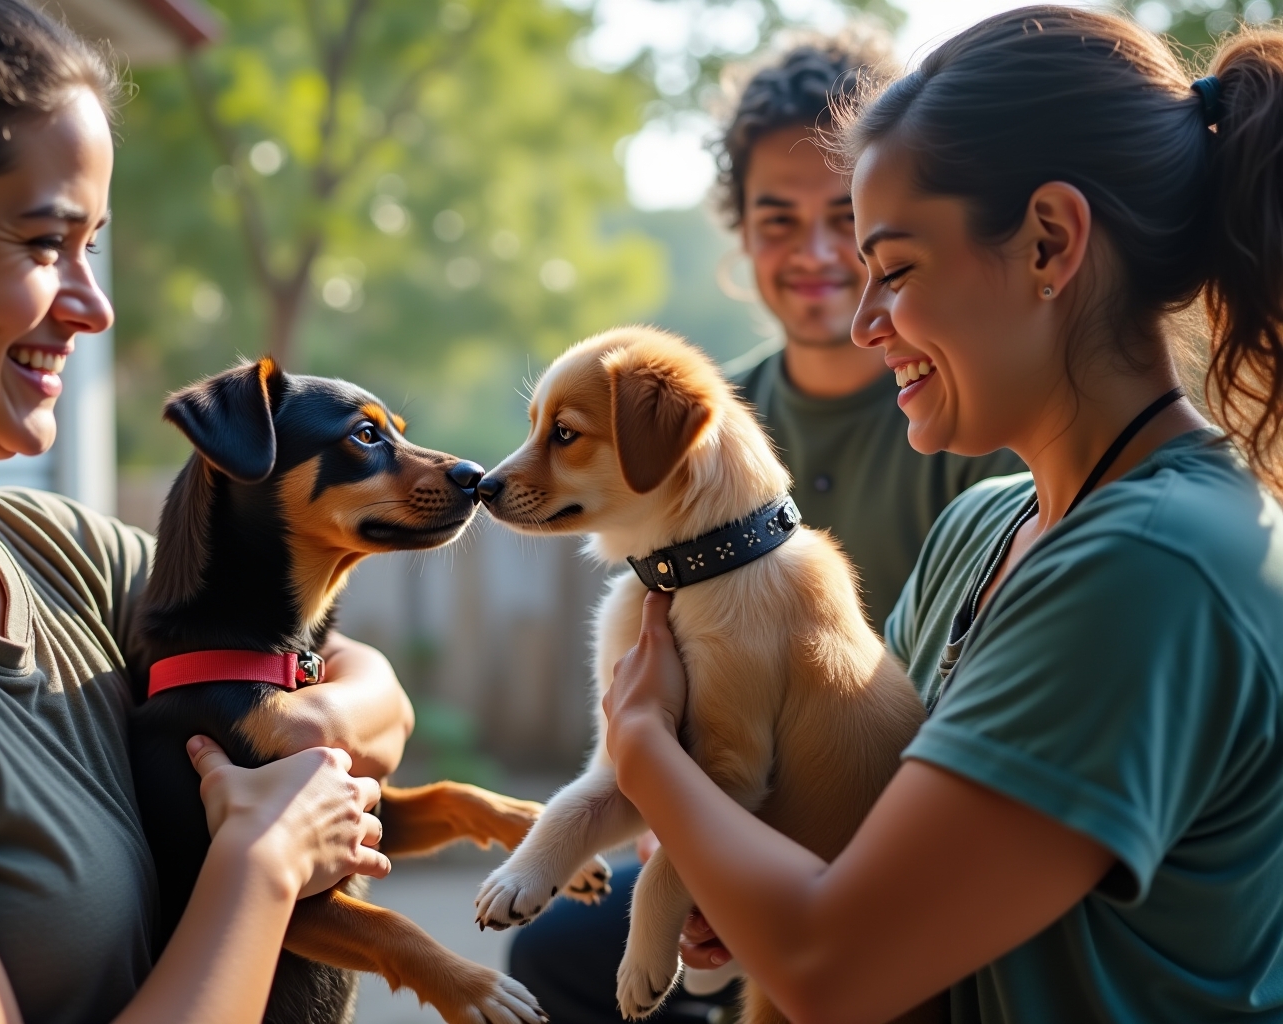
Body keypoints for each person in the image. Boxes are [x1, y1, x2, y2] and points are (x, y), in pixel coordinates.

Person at [604, 6, 1283, 1022]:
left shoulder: (1154, 566)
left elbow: (837, 970)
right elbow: (862, 841)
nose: (867, 321)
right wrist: (740, 872)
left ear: (1050, 241)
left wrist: (643, 745)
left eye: (899, 268)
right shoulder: (991, 525)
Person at [0, 3, 412, 1023]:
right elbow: (284, 806)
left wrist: (308, 720)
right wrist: (266, 858)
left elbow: (367, 686)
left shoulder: (66, 558)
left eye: (95, 244)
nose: (94, 304)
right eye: (47, 240)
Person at [507, 31, 1021, 1024]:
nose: (820, 254)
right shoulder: (680, 423)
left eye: (849, 221)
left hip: (890, 851)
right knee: (555, 951)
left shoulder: (968, 423)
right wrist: (683, 856)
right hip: (715, 836)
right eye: (776, 218)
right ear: (738, 234)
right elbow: (677, 694)